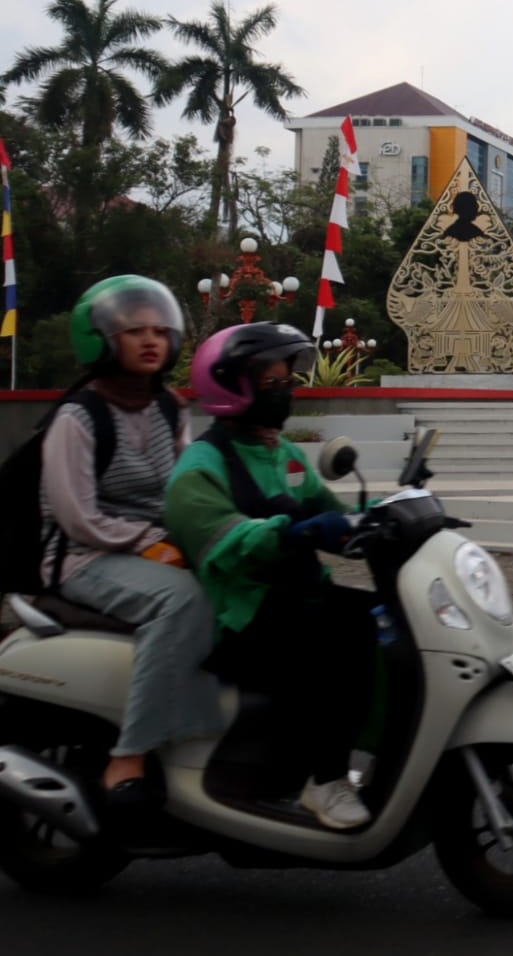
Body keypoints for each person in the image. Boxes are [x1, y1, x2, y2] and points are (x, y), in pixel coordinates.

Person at [164, 322, 377, 830]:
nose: (284, 390)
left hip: (293, 595)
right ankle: (326, 781)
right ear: (229, 386)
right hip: (242, 615)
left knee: (378, 618)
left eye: (287, 380)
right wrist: (297, 532)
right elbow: (230, 543)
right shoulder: (199, 469)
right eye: (270, 382)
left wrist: (385, 515)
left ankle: (342, 754)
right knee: (342, 635)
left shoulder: (284, 454)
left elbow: (329, 510)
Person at [40, 276, 220, 806]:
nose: (150, 341)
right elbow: (78, 517)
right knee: (183, 600)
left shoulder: (169, 408)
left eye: (160, 331)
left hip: (152, 545)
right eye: (134, 330)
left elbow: (186, 489)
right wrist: (147, 543)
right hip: (84, 555)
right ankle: (130, 755)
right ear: (100, 339)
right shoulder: (78, 417)